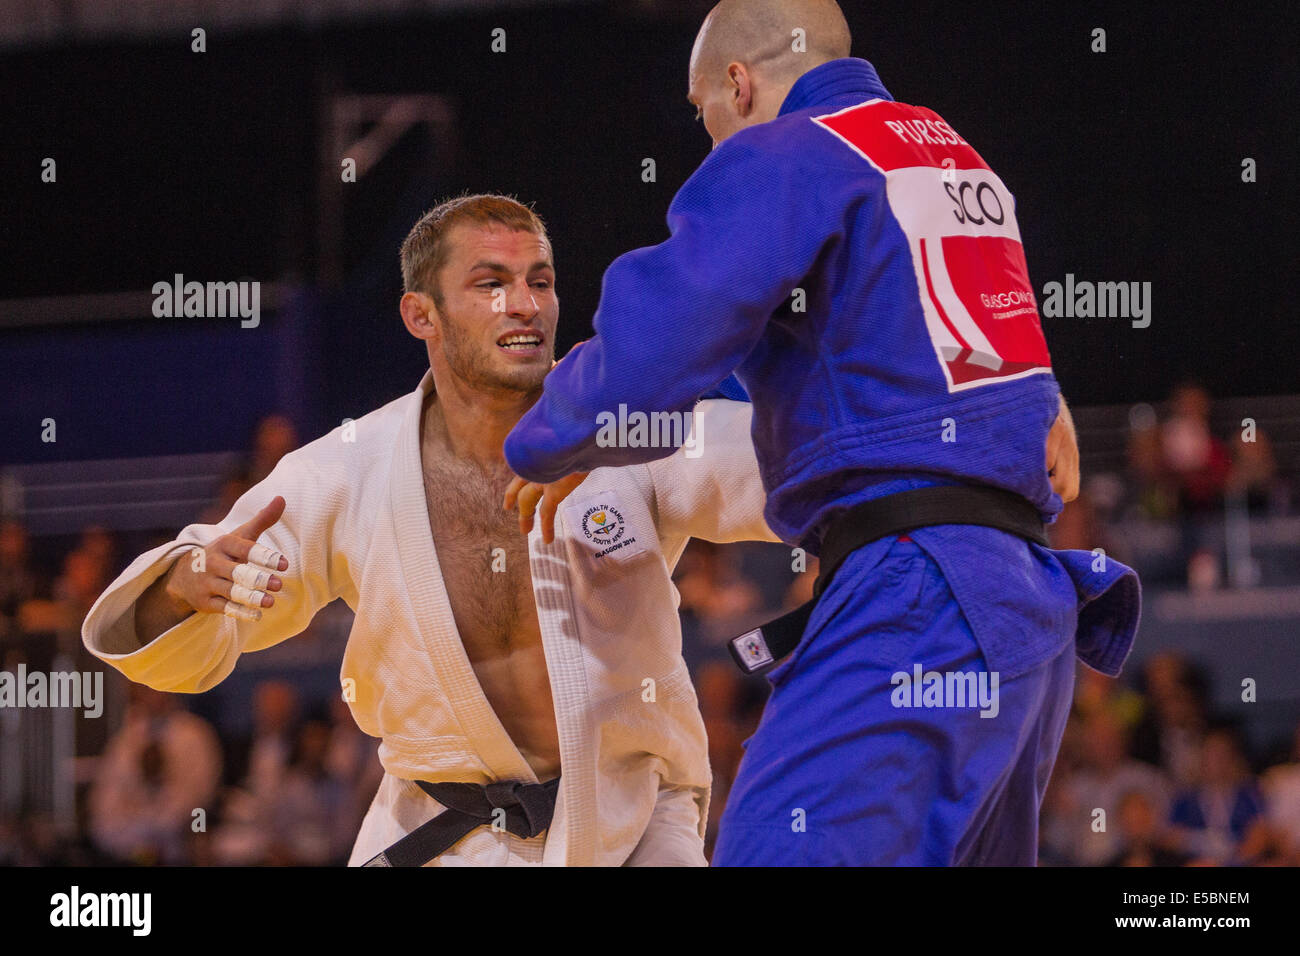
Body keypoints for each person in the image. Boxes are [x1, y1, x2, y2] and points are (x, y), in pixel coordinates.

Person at [503, 0, 1141, 864]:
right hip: (1025, 610)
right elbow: (839, 349)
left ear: (739, 83)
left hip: (919, 590)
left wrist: (536, 433)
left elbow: (655, 349)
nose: (712, 144)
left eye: (705, 119)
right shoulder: (944, 150)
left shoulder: (789, 149)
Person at [82, 194, 777, 866]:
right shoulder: (350, 470)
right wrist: (184, 584)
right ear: (422, 314)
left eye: (540, 280)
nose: (526, 305)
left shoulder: (621, 431)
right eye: (491, 283)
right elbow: (196, 624)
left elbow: (790, 462)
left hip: (633, 828)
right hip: (443, 836)